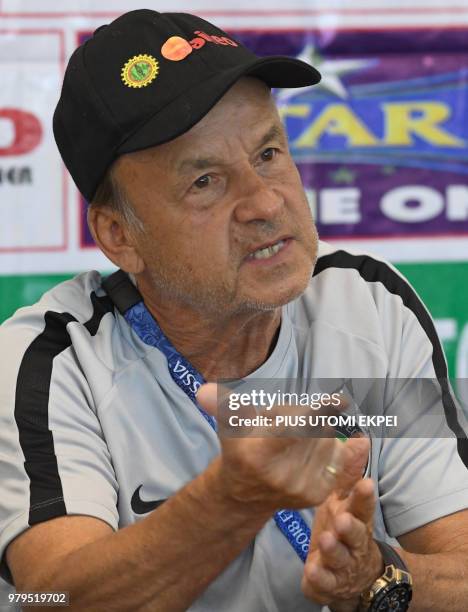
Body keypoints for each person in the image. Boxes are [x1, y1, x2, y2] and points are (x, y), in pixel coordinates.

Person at [0, 8, 468, 611]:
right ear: (120, 236)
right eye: (205, 183)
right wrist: (230, 501)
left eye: (269, 152)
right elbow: (53, 597)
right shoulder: (53, 360)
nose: (266, 201)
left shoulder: (367, 304)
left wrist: (381, 577)